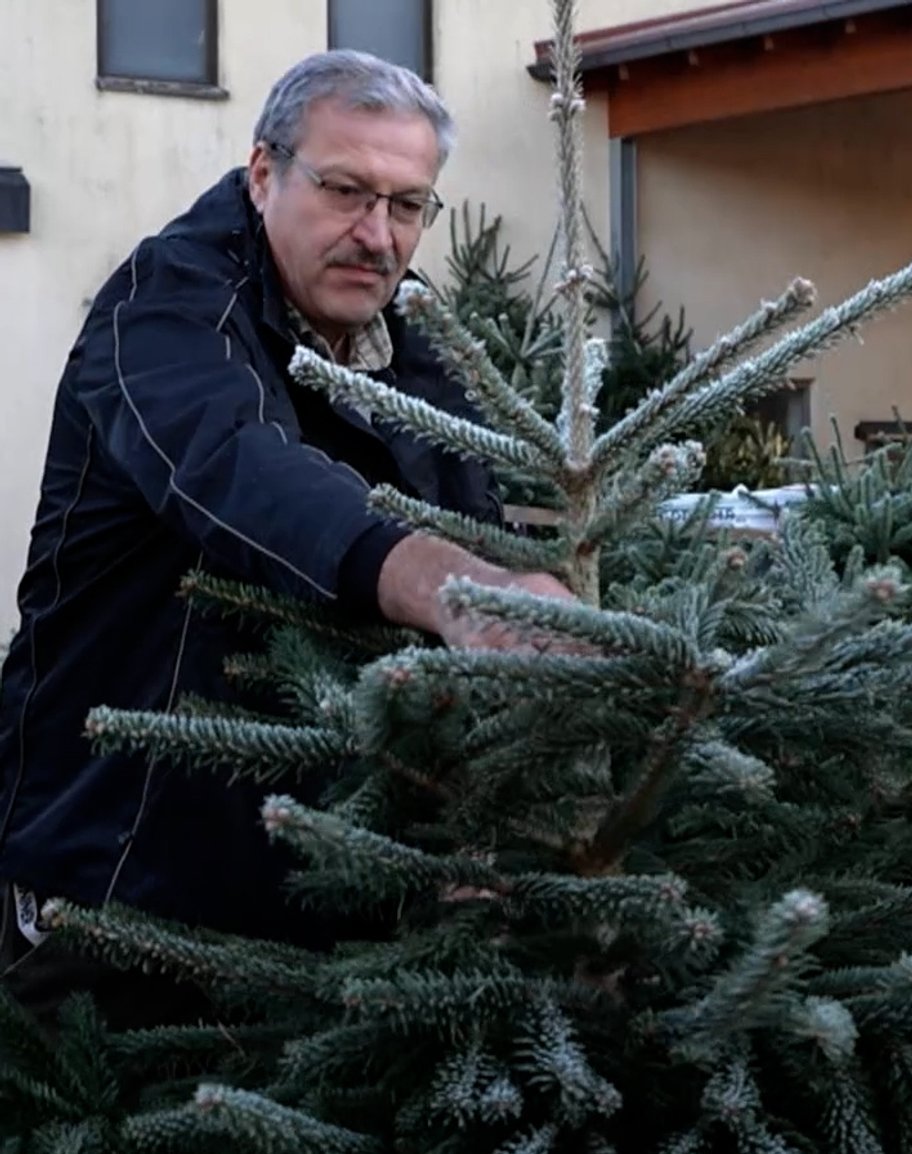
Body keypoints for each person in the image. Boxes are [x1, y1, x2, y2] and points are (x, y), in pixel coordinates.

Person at [0, 50, 574, 1029]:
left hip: (316, 893)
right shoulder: (163, 305)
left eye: (407, 205)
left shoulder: (412, 339)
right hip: (116, 877)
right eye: (346, 190)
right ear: (264, 173)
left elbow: (487, 498)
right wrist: (448, 583)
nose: (377, 235)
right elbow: (240, 467)